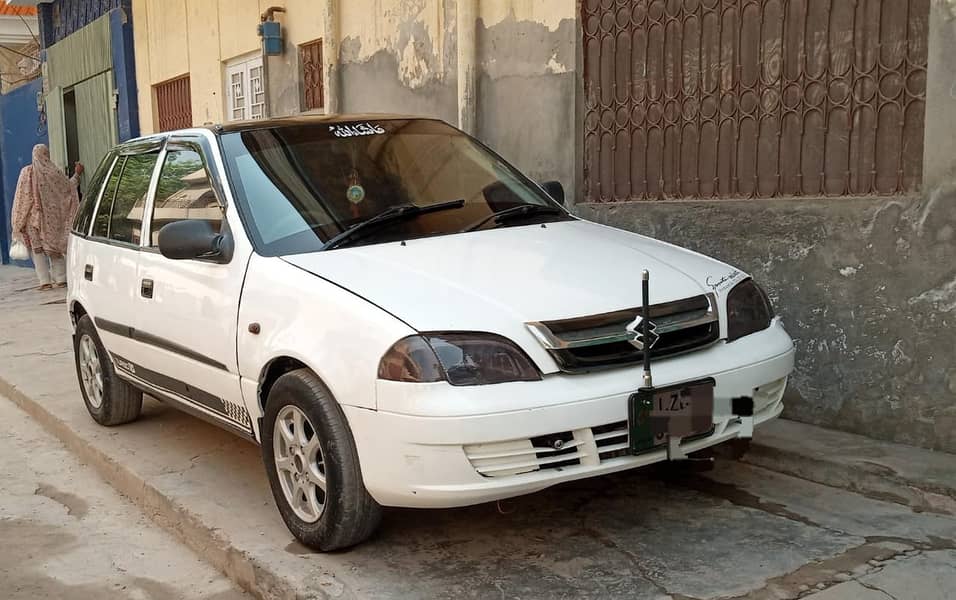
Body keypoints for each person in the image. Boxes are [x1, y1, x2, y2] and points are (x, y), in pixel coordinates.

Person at [11, 144, 83, 290]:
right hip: (51, 220)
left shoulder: (26, 172)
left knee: (36, 251)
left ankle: (44, 282)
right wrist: (77, 174)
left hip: (32, 221)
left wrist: (18, 223)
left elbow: (20, 199)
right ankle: (61, 279)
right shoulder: (53, 173)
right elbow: (68, 188)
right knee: (54, 249)